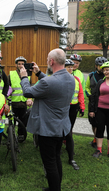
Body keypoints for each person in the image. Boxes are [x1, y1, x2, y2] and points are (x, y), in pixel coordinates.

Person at [20, 49, 75, 191]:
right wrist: (38, 73)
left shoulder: (49, 82)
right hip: (62, 127)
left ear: (51, 61)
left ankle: (55, 189)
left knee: (49, 162)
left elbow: (28, 92)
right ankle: (55, 188)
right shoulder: (70, 78)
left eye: (47, 59)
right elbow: (53, 83)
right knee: (56, 158)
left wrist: (24, 77)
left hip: (48, 129)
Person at [64, 59, 85, 170]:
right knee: (62, 130)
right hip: (62, 108)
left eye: (72, 67)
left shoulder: (76, 79)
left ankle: (71, 157)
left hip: (73, 107)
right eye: (68, 67)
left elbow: (80, 94)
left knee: (69, 130)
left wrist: (82, 107)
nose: (71, 69)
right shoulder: (60, 79)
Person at [8, 56, 33, 142]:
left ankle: (21, 136)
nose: (21, 65)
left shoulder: (28, 76)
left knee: (22, 122)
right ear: (16, 65)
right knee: (12, 122)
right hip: (13, 103)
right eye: (19, 64)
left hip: (23, 103)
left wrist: (29, 98)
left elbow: (30, 88)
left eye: (22, 64)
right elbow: (8, 89)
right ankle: (11, 136)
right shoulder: (11, 75)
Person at [85, 56, 108, 148]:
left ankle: (99, 139)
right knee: (93, 122)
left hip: (103, 102)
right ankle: (95, 138)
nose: (102, 68)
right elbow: (87, 87)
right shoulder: (91, 75)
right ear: (96, 66)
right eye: (100, 66)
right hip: (93, 101)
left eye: (104, 66)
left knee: (101, 122)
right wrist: (90, 95)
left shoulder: (107, 75)